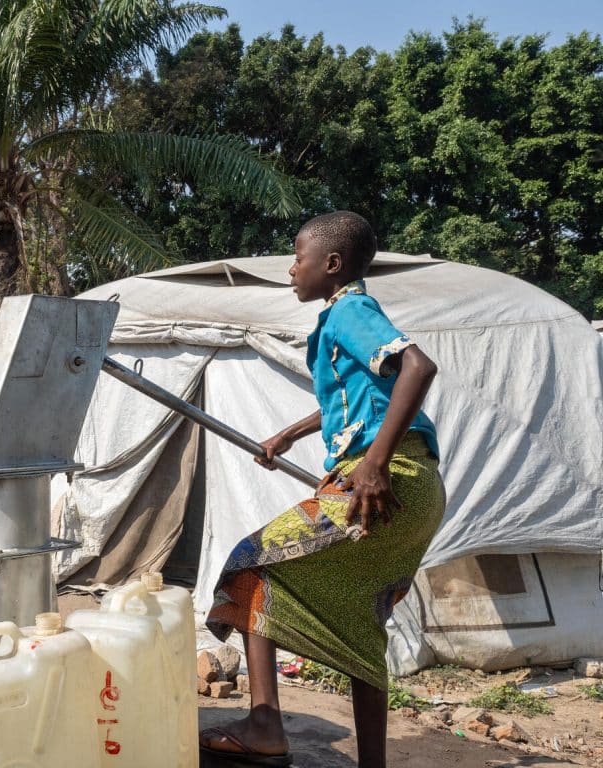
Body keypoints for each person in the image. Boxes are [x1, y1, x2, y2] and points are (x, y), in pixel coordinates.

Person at [199, 212, 444, 768]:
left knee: (251, 565)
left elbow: (417, 367)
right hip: (416, 487)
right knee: (360, 617)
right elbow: (357, 397)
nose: (291, 269)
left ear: (331, 265)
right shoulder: (342, 317)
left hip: (385, 482)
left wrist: (375, 462)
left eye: (297, 257)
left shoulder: (350, 310)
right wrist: (289, 433)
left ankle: (264, 725)